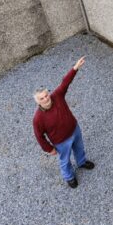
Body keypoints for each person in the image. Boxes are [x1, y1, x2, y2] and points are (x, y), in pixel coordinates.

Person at [33, 56, 95, 188]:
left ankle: (81, 162)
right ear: (38, 102)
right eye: (42, 98)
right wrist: (49, 149)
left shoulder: (57, 96)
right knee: (65, 160)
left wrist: (75, 68)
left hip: (75, 130)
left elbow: (65, 82)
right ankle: (69, 177)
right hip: (61, 142)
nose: (46, 99)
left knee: (79, 148)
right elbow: (39, 136)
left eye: (46, 95)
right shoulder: (38, 118)